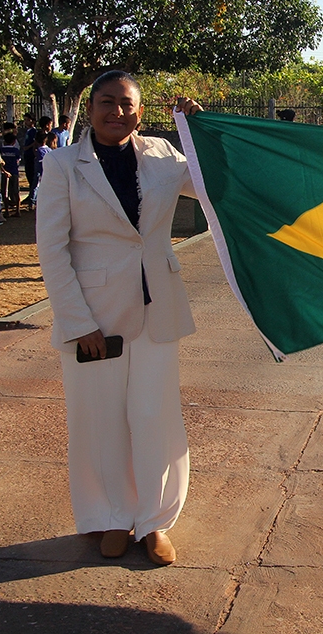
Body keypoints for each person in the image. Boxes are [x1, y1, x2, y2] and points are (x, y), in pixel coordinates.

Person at [36, 70, 203, 567]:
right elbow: (52, 250)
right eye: (106, 102)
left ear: (140, 112)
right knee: (100, 419)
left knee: (154, 417)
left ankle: (155, 521)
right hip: (94, 316)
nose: (117, 112)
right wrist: (77, 321)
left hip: (158, 308)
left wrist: (201, 131)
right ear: (90, 109)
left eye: (127, 104)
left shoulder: (164, 155)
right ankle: (111, 516)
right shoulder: (63, 165)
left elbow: (210, 187)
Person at [0, 122, 22, 217]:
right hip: (14, 172)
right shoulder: (16, 150)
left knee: (5, 192)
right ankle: (18, 210)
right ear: (13, 142)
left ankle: (7, 211)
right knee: (16, 191)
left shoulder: (1, 150)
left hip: (5, 172)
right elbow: (18, 160)